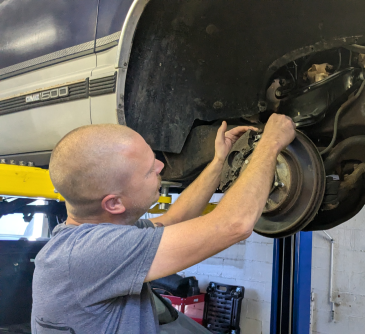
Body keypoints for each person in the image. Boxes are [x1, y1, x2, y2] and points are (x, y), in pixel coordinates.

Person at [31, 114, 296, 333]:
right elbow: (233, 225)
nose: (160, 165)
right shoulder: (88, 255)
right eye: (149, 171)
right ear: (114, 204)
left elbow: (175, 218)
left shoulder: (100, 235)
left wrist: (219, 162)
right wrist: (270, 144)